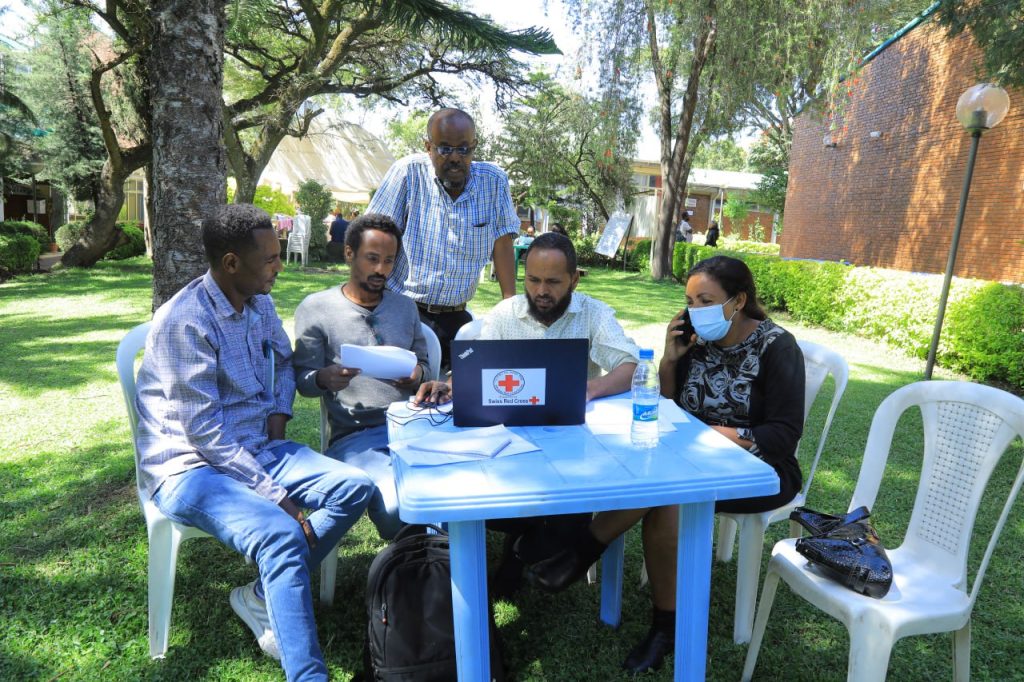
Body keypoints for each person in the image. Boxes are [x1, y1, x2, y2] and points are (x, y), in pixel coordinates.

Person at [525, 255, 805, 674]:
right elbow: (672, 408)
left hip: (759, 470)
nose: (695, 311)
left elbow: (781, 437)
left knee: (668, 497)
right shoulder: (699, 341)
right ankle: (603, 569)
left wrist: (712, 433)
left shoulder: (777, 347)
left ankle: (645, 608)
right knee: (653, 476)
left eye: (706, 300)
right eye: (690, 300)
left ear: (738, 300)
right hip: (692, 457)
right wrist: (672, 360)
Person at [133, 204, 373, 681]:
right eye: (269, 259)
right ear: (230, 264)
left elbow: (283, 362)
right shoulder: (185, 320)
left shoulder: (260, 303)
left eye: (278, 255)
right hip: (189, 467)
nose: (278, 267)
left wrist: (280, 417)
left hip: (256, 445)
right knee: (281, 532)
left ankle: (262, 594)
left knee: (356, 486)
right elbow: (204, 434)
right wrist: (275, 494)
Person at [415, 232, 641, 597]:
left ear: (574, 279)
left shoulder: (593, 313)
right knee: (497, 509)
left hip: (571, 444)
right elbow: (478, 366)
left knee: (573, 513)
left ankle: (518, 555)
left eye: (553, 281)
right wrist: (450, 383)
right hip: (509, 439)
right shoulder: (506, 314)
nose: (541, 291)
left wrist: (589, 389)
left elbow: (631, 364)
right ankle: (522, 546)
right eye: (532, 280)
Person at [292, 213, 429, 540]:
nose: (382, 270)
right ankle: (421, 564)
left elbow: (424, 361)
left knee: (452, 490)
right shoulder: (316, 308)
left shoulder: (405, 307)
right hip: (354, 435)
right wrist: (324, 378)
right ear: (349, 253)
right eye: (372, 259)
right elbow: (302, 380)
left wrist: (418, 374)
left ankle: (434, 560)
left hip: (412, 427)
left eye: (389, 261)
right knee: (397, 508)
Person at [368, 107, 520, 369]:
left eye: (464, 149)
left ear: (474, 147)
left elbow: (502, 243)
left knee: (458, 399)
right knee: (405, 394)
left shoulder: (493, 182)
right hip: (403, 311)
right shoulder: (408, 173)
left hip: (457, 317)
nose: (455, 158)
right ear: (428, 147)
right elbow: (374, 237)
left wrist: (510, 309)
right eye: (444, 148)